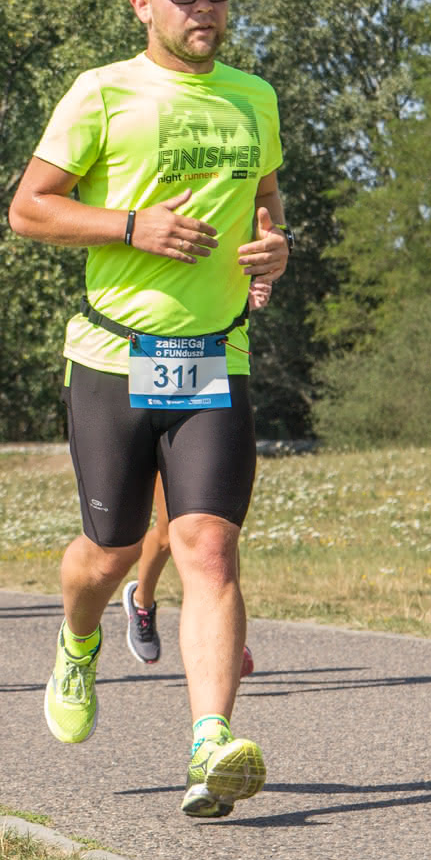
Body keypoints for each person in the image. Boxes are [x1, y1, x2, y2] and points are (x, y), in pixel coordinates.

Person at [8, 0, 289, 819]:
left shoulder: (253, 97)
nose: (205, 7)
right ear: (142, 6)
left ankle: (210, 742)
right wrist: (133, 226)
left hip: (215, 355)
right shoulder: (102, 91)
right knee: (112, 550)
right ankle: (77, 638)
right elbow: (29, 210)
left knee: (207, 545)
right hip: (113, 356)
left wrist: (273, 249)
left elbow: (266, 204)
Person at [123, 282, 271, 668]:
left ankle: (227, 634)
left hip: (211, 378)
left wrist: (253, 288)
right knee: (168, 530)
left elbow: (249, 268)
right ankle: (142, 601)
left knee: (218, 531)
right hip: (149, 375)